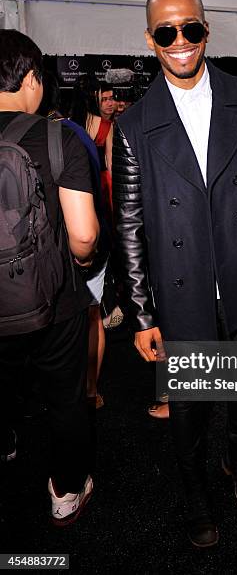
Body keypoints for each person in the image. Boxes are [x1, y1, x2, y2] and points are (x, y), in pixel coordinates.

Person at [112, 0, 237, 548]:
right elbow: (129, 226)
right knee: (189, 410)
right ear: (150, 39)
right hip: (181, 292)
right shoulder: (134, 126)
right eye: (166, 32)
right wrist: (143, 315)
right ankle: (195, 489)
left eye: (189, 28)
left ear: (205, 28)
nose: (180, 41)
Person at [0, 30, 99, 525]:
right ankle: (64, 491)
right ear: (33, 78)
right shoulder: (58, 137)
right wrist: (83, 265)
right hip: (52, 298)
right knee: (65, 398)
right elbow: (82, 236)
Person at [38, 71, 111, 410]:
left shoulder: (57, 135)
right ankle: (90, 390)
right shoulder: (75, 134)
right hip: (83, 241)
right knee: (92, 315)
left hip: (42, 253)